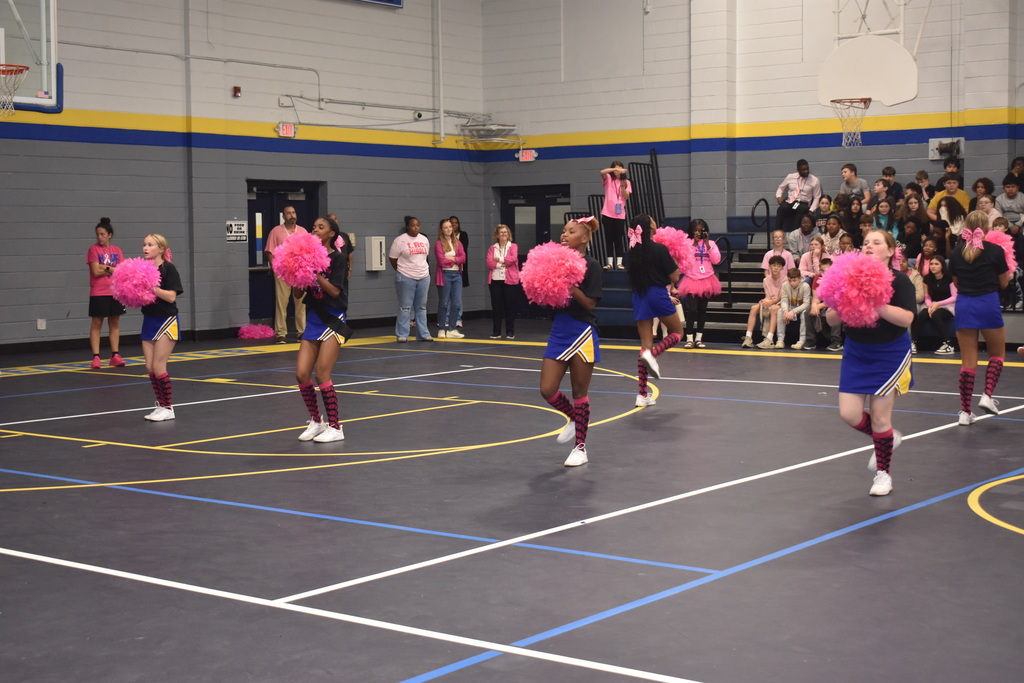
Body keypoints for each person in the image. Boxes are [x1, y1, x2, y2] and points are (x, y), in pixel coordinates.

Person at [826, 229, 916, 496]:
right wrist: (847, 300)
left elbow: (907, 319)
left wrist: (874, 302)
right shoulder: (848, 277)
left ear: (890, 251)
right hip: (856, 352)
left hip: (889, 353)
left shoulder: (900, 281)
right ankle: (888, 437)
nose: (869, 246)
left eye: (876, 242)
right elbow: (831, 319)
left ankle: (883, 475)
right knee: (849, 414)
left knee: (879, 417)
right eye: (865, 242)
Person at [539, 216, 603, 467]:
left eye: (571, 231)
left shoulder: (592, 266)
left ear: (584, 238)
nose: (564, 235)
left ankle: (580, 447)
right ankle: (575, 418)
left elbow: (589, 304)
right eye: (563, 231)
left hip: (582, 331)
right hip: (559, 329)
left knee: (579, 392)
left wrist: (569, 284)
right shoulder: (555, 262)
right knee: (547, 389)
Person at [948, 211, 1010, 425]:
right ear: (986, 227)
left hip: (965, 304)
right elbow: (1004, 283)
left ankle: (965, 412)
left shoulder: (956, 251)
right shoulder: (995, 250)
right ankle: (987, 395)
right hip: (987, 303)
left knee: (968, 362)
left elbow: (956, 282)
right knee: (997, 354)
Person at [294, 217, 351, 443]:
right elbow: (298, 294)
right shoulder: (308, 258)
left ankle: (336, 427)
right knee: (301, 374)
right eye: (313, 227)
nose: (315, 230)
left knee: (322, 374)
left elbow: (335, 291)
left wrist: (315, 272)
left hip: (333, 319)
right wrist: (297, 273)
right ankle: (316, 421)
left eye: (321, 227)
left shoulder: (338, 259)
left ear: (331, 234)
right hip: (314, 318)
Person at [627, 215, 683, 407]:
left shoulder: (633, 251)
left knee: (646, 343)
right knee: (677, 332)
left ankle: (642, 395)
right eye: (652, 220)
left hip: (638, 295)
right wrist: (675, 263)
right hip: (656, 294)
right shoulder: (659, 249)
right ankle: (653, 355)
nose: (655, 222)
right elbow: (675, 277)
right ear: (649, 227)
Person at [140, 234, 183, 422]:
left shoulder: (168, 269)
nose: (145, 248)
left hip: (166, 320)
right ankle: (161, 404)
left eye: (150, 245)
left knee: (159, 366)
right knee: (150, 367)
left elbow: (171, 297)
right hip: (149, 319)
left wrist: (153, 288)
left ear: (161, 249)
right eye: (144, 244)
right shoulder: (143, 270)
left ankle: (168, 408)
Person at [86, 217, 126, 369]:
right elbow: (96, 271)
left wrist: (105, 267)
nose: (100, 237)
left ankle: (115, 355)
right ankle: (96, 357)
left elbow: (122, 271)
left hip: (115, 291)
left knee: (114, 322)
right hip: (99, 291)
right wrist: (111, 269)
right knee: (97, 323)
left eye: (102, 234)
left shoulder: (117, 250)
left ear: (109, 235)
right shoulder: (93, 250)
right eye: (98, 234)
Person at [264, 205, 307, 343]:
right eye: (288, 213)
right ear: (283, 216)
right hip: (283, 272)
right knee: (282, 302)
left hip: (300, 272)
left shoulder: (303, 231)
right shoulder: (276, 231)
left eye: (293, 212)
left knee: (301, 303)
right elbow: (269, 251)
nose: (291, 215)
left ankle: (301, 331)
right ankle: (281, 333)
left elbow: (309, 251)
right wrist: (275, 267)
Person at [678, 218, 722, 348]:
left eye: (700, 231)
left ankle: (699, 338)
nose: (698, 233)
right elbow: (684, 258)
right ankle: (689, 338)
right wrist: (695, 244)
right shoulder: (687, 243)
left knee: (702, 310)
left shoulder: (711, 244)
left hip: (707, 279)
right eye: (695, 231)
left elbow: (716, 260)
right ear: (691, 232)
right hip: (691, 279)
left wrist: (707, 245)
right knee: (692, 309)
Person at [389, 216, 433, 343]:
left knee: (421, 306)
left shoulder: (424, 239)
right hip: (406, 276)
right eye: (413, 225)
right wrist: (402, 271)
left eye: (418, 225)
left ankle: (423, 334)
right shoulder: (400, 240)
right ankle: (402, 334)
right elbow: (392, 258)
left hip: (423, 276)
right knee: (405, 307)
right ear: (407, 227)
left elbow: (424, 257)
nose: (416, 227)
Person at [912, 256, 957, 355]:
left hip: (948, 305)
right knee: (923, 314)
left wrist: (938, 304)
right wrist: (930, 306)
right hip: (932, 304)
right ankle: (913, 342)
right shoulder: (927, 278)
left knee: (936, 314)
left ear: (942, 266)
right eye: (931, 264)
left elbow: (954, 297)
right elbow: (927, 296)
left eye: (936, 264)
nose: (933, 266)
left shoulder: (949, 278)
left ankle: (948, 344)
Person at [433, 218, 466, 339]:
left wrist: (451, 258)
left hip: (457, 275)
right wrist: (456, 260)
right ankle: (442, 329)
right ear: (441, 230)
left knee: (456, 303)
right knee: (444, 303)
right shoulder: (438, 243)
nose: (448, 229)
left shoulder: (458, 242)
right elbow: (442, 261)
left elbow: (463, 258)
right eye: (445, 227)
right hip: (444, 275)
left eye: (450, 227)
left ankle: (452, 329)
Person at [743, 255, 785, 349]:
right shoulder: (766, 280)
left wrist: (770, 302)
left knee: (774, 309)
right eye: (774, 265)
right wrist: (765, 301)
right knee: (754, 308)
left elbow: (780, 298)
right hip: (771, 301)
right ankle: (748, 338)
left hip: (782, 302)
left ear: (782, 268)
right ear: (770, 266)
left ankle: (769, 339)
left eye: (778, 266)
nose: (776, 268)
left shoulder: (785, 279)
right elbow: (768, 295)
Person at [486, 224, 519, 339]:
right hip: (495, 280)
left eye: (505, 232)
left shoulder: (513, 246)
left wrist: (498, 260)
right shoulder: (492, 248)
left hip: (509, 280)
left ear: (508, 234)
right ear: (497, 235)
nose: (504, 234)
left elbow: (512, 259)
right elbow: (489, 262)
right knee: (496, 307)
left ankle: (510, 331)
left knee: (509, 306)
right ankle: (496, 332)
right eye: (501, 232)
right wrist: (502, 264)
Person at [804, 257, 843, 351]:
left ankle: (837, 341)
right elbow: (815, 297)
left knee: (834, 311)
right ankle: (810, 340)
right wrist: (814, 305)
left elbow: (836, 299)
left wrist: (819, 306)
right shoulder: (818, 278)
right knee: (808, 310)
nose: (824, 273)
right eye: (822, 270)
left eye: (826, 270)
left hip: (835, 304)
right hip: (822, 302)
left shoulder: (837, 279)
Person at [599, 162, 631, 270]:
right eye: (616, 169)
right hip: (607, 213)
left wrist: (622, 186)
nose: (618, 171)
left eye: (620, 169)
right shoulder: (608, 178)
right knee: (609, 238)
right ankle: (610, 263)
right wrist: (613, 169)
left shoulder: (626, 182)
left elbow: (626, 196)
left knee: (618, 238)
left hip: (620, 214)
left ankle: (619, 263)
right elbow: (602, 172)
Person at [775, 159, 822, 233]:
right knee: (781, 209)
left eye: (807, 169)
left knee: (801, 209)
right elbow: (781, 188)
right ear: (798, 170)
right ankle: (777, 233)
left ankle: (795, 234)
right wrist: (778, 197)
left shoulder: (814, 180)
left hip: (803, 203)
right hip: (790, 202)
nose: (806, 171)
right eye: (803, 170)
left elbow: (817, 197)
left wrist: (811, 210)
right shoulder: (790, 177)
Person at [778, 267, 812, 349]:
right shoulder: (785, 285)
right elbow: (784, 300)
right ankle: (780, 340)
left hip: (802, 308)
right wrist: (785, 311)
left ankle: (802, 341)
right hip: (791, 308)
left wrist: (793, 311)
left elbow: (806, 303)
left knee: (804, 313)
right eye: (790, 280)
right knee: (780, 311)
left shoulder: (805, 286)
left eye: (794, 280)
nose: (791, 283)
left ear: (800, 279)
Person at [451, 215, 469, 327]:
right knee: (447, 296)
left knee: (457, 295)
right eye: (451, 223)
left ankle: (458, 317)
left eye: (456, 223)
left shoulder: (463, 235)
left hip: (460, 268)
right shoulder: (444, 237)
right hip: (448, 269)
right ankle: (447, 318)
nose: (454, 225)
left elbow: (462, 250)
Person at [326, 213, 355, 282]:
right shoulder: (327, 237)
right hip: (332, 268)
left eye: (335, 219)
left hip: (344, 268)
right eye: (332, 219)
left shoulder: (344, 236)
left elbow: (349, 253)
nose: (334, 221)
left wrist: (350, 268)